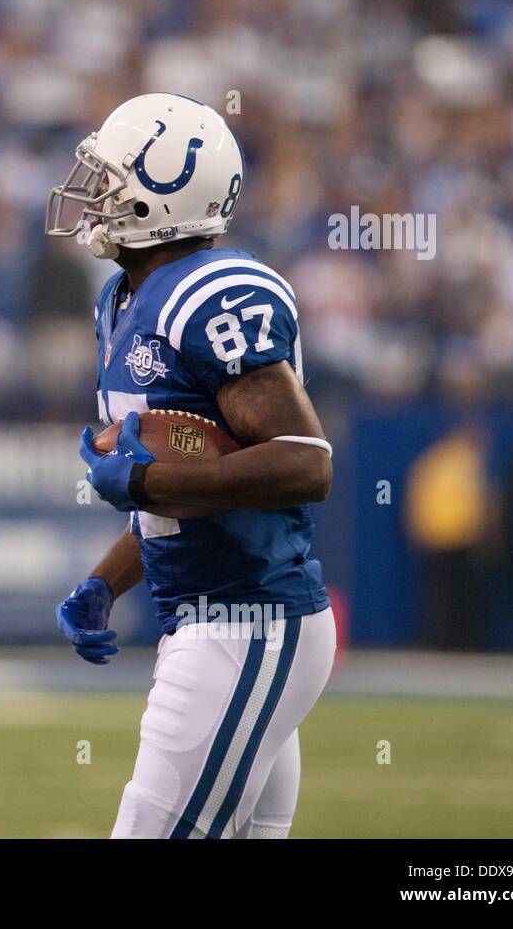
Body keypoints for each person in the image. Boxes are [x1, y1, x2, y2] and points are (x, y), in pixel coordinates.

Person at [49, 94, 336, 839]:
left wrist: (150, 481)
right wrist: (104, 581)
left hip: (248, 615)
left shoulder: (212, 295)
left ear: (166, 191)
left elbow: (306, 462)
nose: (95, 195)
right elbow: (176, 487)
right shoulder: (122, 299)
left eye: (111, 180)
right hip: (211, 617)